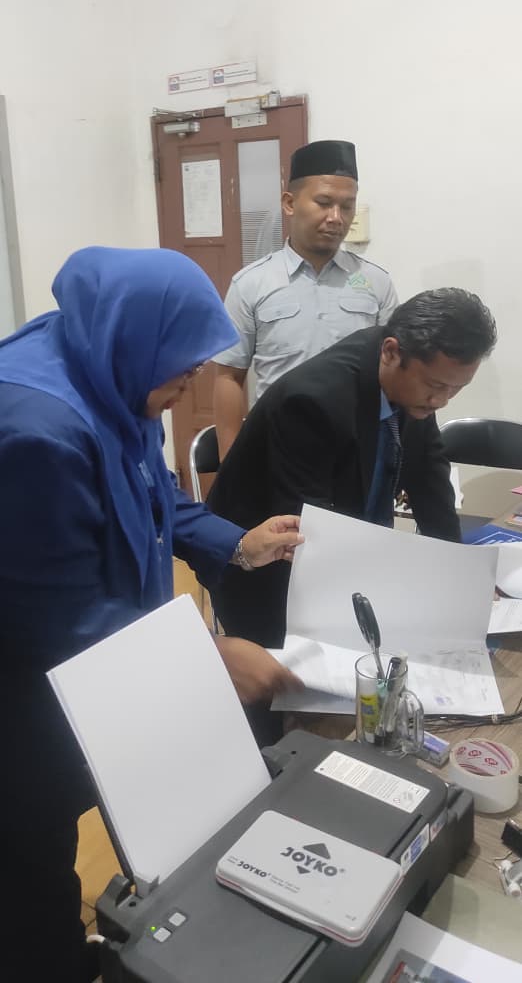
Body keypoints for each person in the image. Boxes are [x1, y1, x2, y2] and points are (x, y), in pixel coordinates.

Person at [0, 246, 304, 983]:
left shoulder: (109, 366)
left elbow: (151, 491)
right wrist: (205, 657)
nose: (193, 383)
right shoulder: (36, 432)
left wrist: (237, 544)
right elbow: (51, 617)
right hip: (24, 684)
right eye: (182, 368)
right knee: (27, 851)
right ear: (131, 342)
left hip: (87, 665)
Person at [208, 288, 497, 651]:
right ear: (391, 352)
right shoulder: (311, 401)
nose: (441, 400)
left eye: (456, 389)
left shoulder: (412, 380)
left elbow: (429, 477)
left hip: (345, 554)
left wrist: (457, 575)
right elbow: (310, 528)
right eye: (436, 386)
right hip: (267, 576)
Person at [213, 139, 398, 458]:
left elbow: (395, 370)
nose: (336, 217)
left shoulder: (376, 282)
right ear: (289, 203)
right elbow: (229, 376)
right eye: (324, 202)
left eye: (347, 206)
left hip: (356, 451)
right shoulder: (251, 284)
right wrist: (231, 464)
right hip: (278, 448)